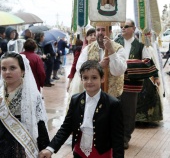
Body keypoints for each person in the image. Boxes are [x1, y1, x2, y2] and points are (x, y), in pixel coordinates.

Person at [39, 60, 124, 158]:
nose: (89, 82)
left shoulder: (113, 103)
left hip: (101, 154)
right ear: (81, 79)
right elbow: (66, 128)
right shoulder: (76, 100)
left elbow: (117, 137)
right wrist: (50, 149)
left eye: (94, 78)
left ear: (102, 78)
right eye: (85, 78)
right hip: (79, 153)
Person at [114, 19, 159, 149]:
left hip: (131, 85)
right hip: (115, 83)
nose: (123, 29)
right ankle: (114, 137)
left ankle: (124, 138)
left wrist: (155, 76)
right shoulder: (115, 43)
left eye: (126, 26)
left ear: (133, 28)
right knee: (114, 111)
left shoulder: (140, 45)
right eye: (121, 26)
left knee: (128, 112)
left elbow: (147, 61)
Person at [0, 52, 49, 157]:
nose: (7, 72)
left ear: (23, 71)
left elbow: (40, 124)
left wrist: (45, 148)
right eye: (3, 69)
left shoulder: (32, 95)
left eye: (12, 68)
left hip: (20, 145)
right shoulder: (0, 90)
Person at [76, 25, 127, 98]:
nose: (100, 33)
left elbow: (118, 71)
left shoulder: (119, 49)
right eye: (98, 30)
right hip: (92, 96)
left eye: (103, 30)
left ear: (110, 32)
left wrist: (111, 50)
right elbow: (79, 69)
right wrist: (98, 66)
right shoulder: (88, 49)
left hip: (113, 98)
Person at [66, 28, 96, 112]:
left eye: (94, 35)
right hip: (80, 78)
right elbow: (75, 66)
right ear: (86, 37)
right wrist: (69, 81)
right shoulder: (81, 49)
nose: (93, 37)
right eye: (90, 35)